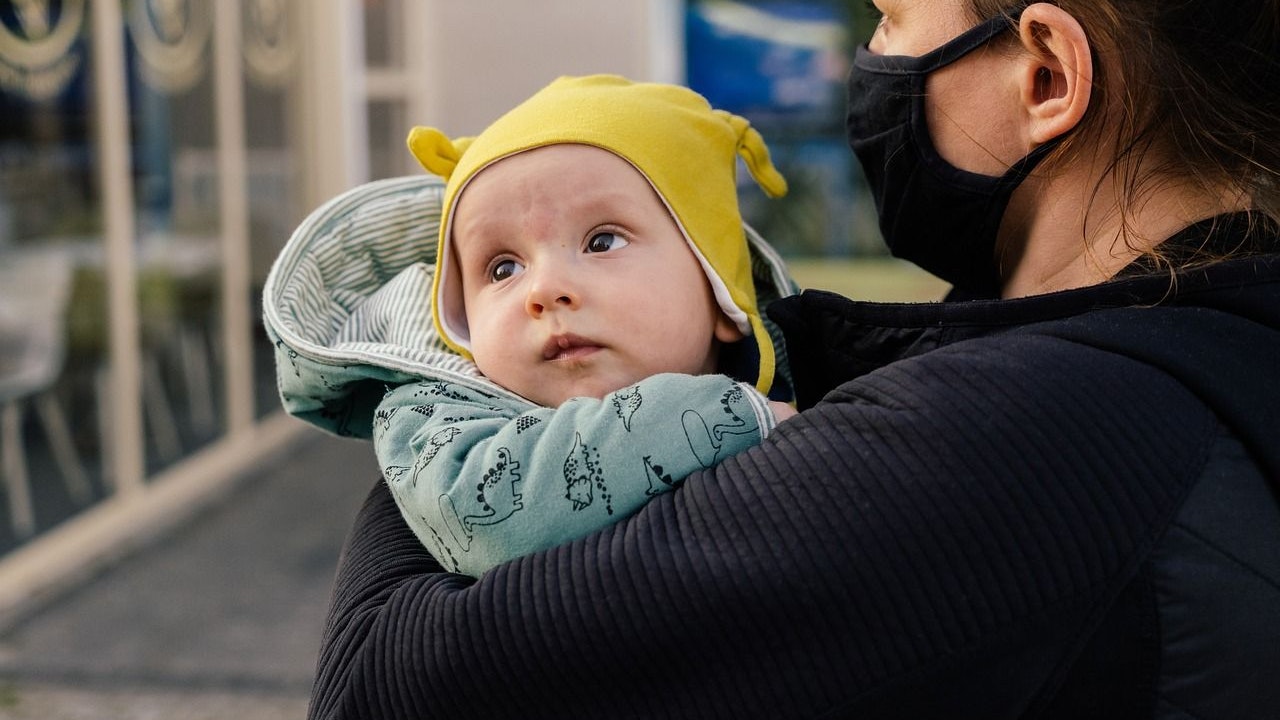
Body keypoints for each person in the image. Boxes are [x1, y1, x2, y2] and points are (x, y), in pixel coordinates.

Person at [305, 1, 1280, 718]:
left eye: (891, 20)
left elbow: (379, 684)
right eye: (501, 268)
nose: (869, 58)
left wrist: (437, 383)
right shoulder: (1178, 338)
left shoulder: (1030, 435)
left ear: (1043, 76)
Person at [265, 75, 798, 577]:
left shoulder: (818, 377)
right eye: (503, 268)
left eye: (602, 241)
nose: (544, 291)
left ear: (720, 295)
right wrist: (730, 415)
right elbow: (484, 514)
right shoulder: (433, 416)